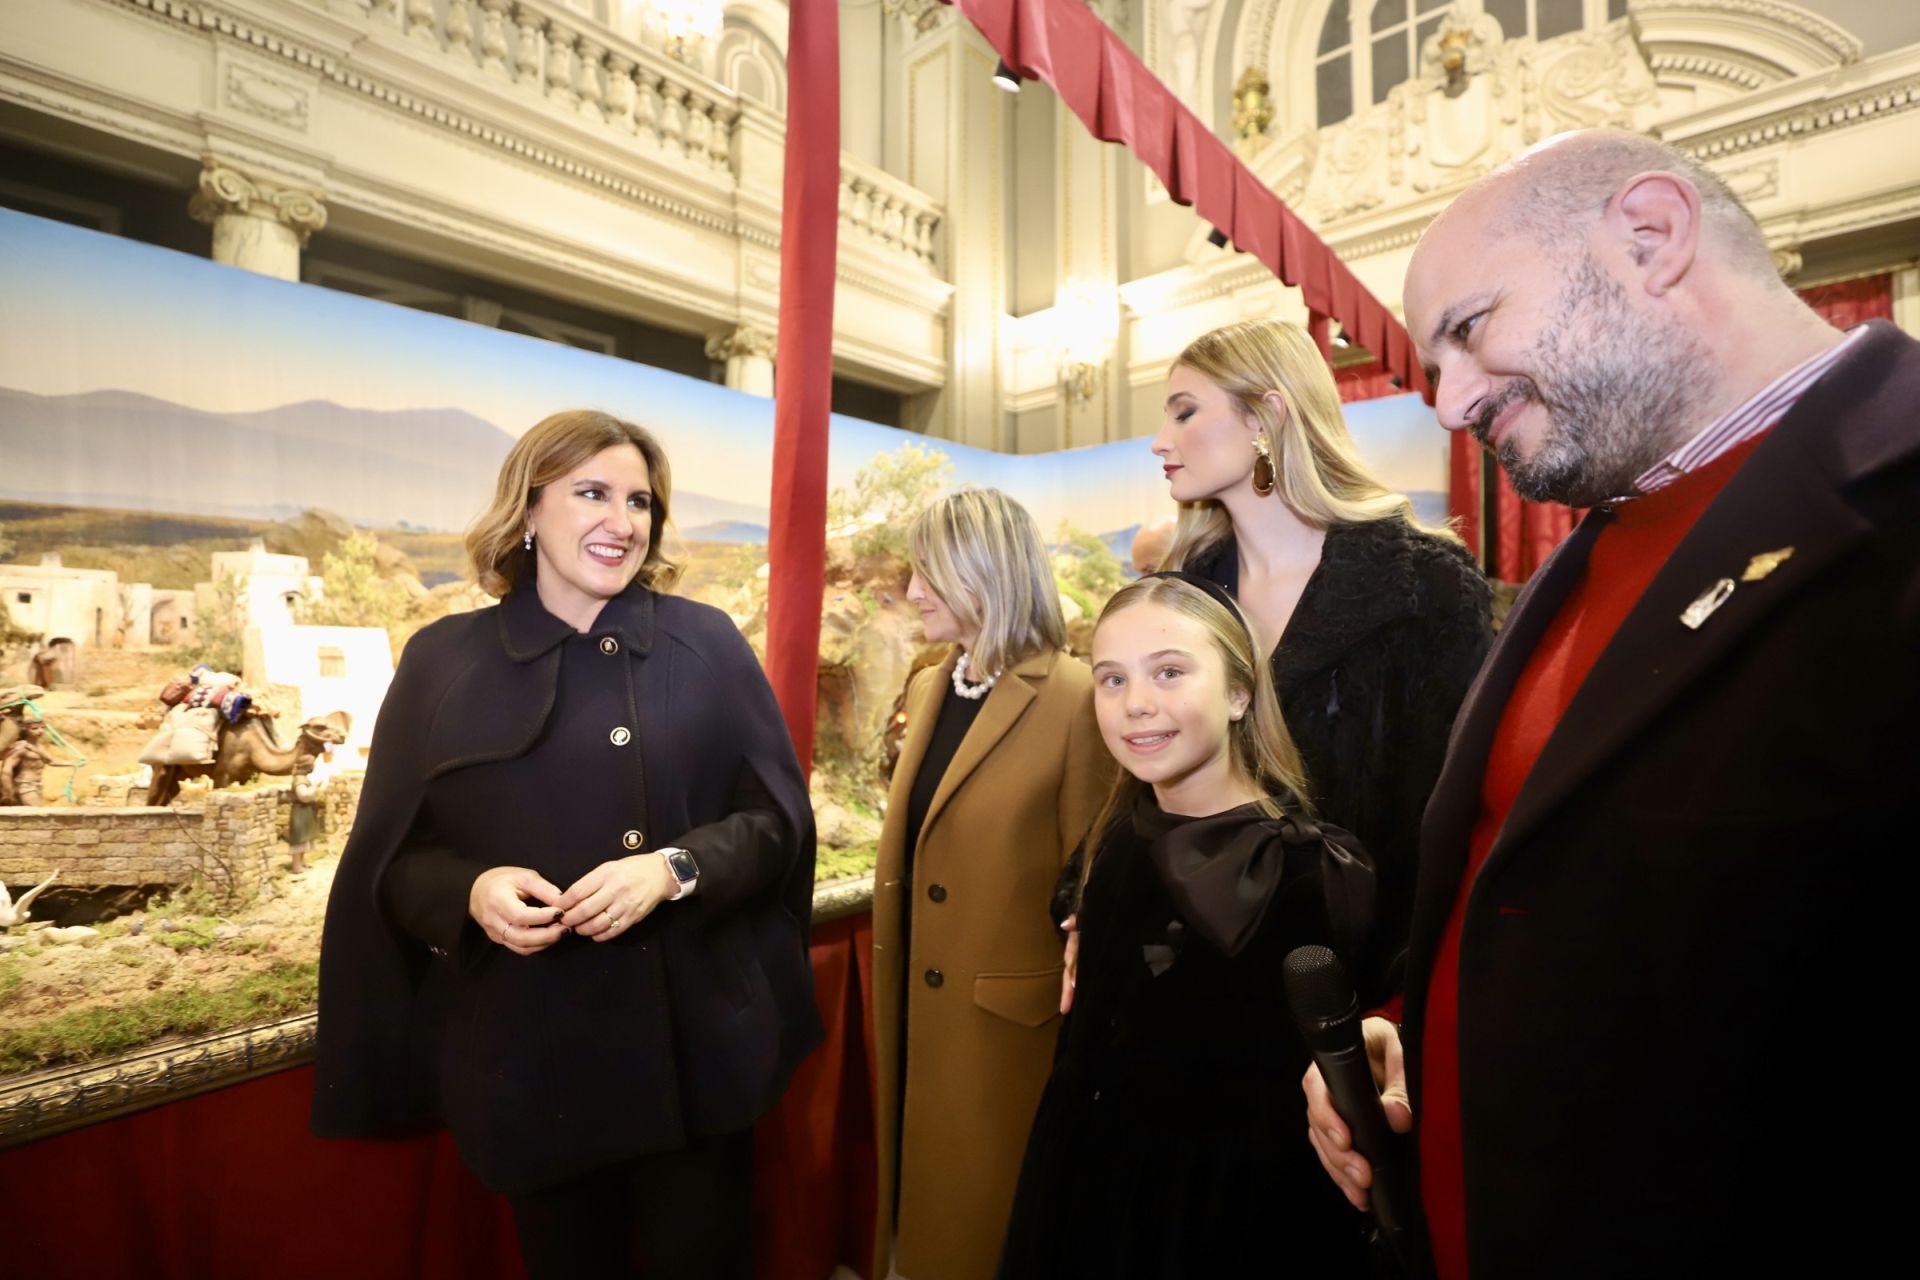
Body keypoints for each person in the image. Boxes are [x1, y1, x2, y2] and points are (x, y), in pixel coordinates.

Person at [1302, 128, 1920, 1276]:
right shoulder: (1585, 556)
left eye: (1469, 330)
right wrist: (1419, 1025)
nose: (1450, 403)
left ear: (1652, 235)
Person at [312, 410, 821, 1279]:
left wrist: (674, 869)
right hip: (530, 1068)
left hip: (697, 1058)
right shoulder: (442, 662)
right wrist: (471, 892)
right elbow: (393, 864)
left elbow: (777, 826)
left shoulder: (706, 643)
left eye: (639, 501)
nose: (621, 522)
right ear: (528, 510)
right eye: (592, 493)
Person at [998, 574, 1377, 1278]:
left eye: (1169, 672)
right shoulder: (1117, 837)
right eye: (1111, 680)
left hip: (1221, 1221)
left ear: (1238, 693)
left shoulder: (1308, 870)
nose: (1136, 704)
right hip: (1087, 1182)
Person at [1153, 318, 1492, 986]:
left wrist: (1398, 1004)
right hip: (1186, 977)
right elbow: (1138, 791)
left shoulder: (1424, 588)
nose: (1160, 441)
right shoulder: (1180, 597)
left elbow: (1448, 822)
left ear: (1266, 416)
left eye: (1185, 412)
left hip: (1347, 988)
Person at [873, 488, 1114, 1280]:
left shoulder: (1077, 697)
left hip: (1008, 1036)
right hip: (913, 1017)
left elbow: (1093, 880)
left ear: (986, 573)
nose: (913, 594)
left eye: (929, 575)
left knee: (989, 1238)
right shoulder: (927, 686)